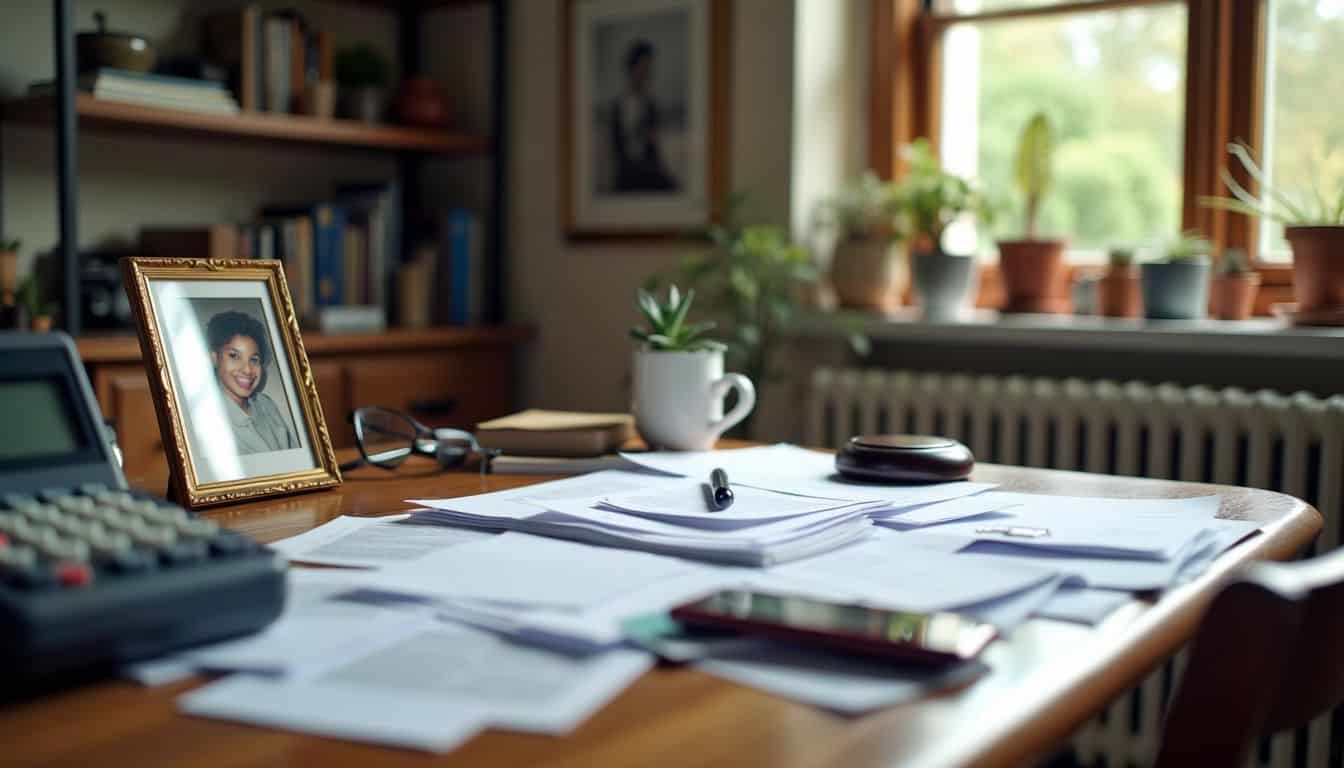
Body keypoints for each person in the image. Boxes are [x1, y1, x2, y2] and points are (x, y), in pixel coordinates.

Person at [206, 310, 299, 455]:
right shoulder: (206, 418)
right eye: (234, 356)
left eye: (254, 359)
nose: (248, 370)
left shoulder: (266, 404)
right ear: (215, 358)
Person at [609, 39, 678, 192]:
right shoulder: (617, 107)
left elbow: (654, 148)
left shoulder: (651, 106)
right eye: (643, 68)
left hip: (649, 171)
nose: (647, 74)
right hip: (626, 175)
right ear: (631, 69)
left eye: (649, 69)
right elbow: (616, 149)